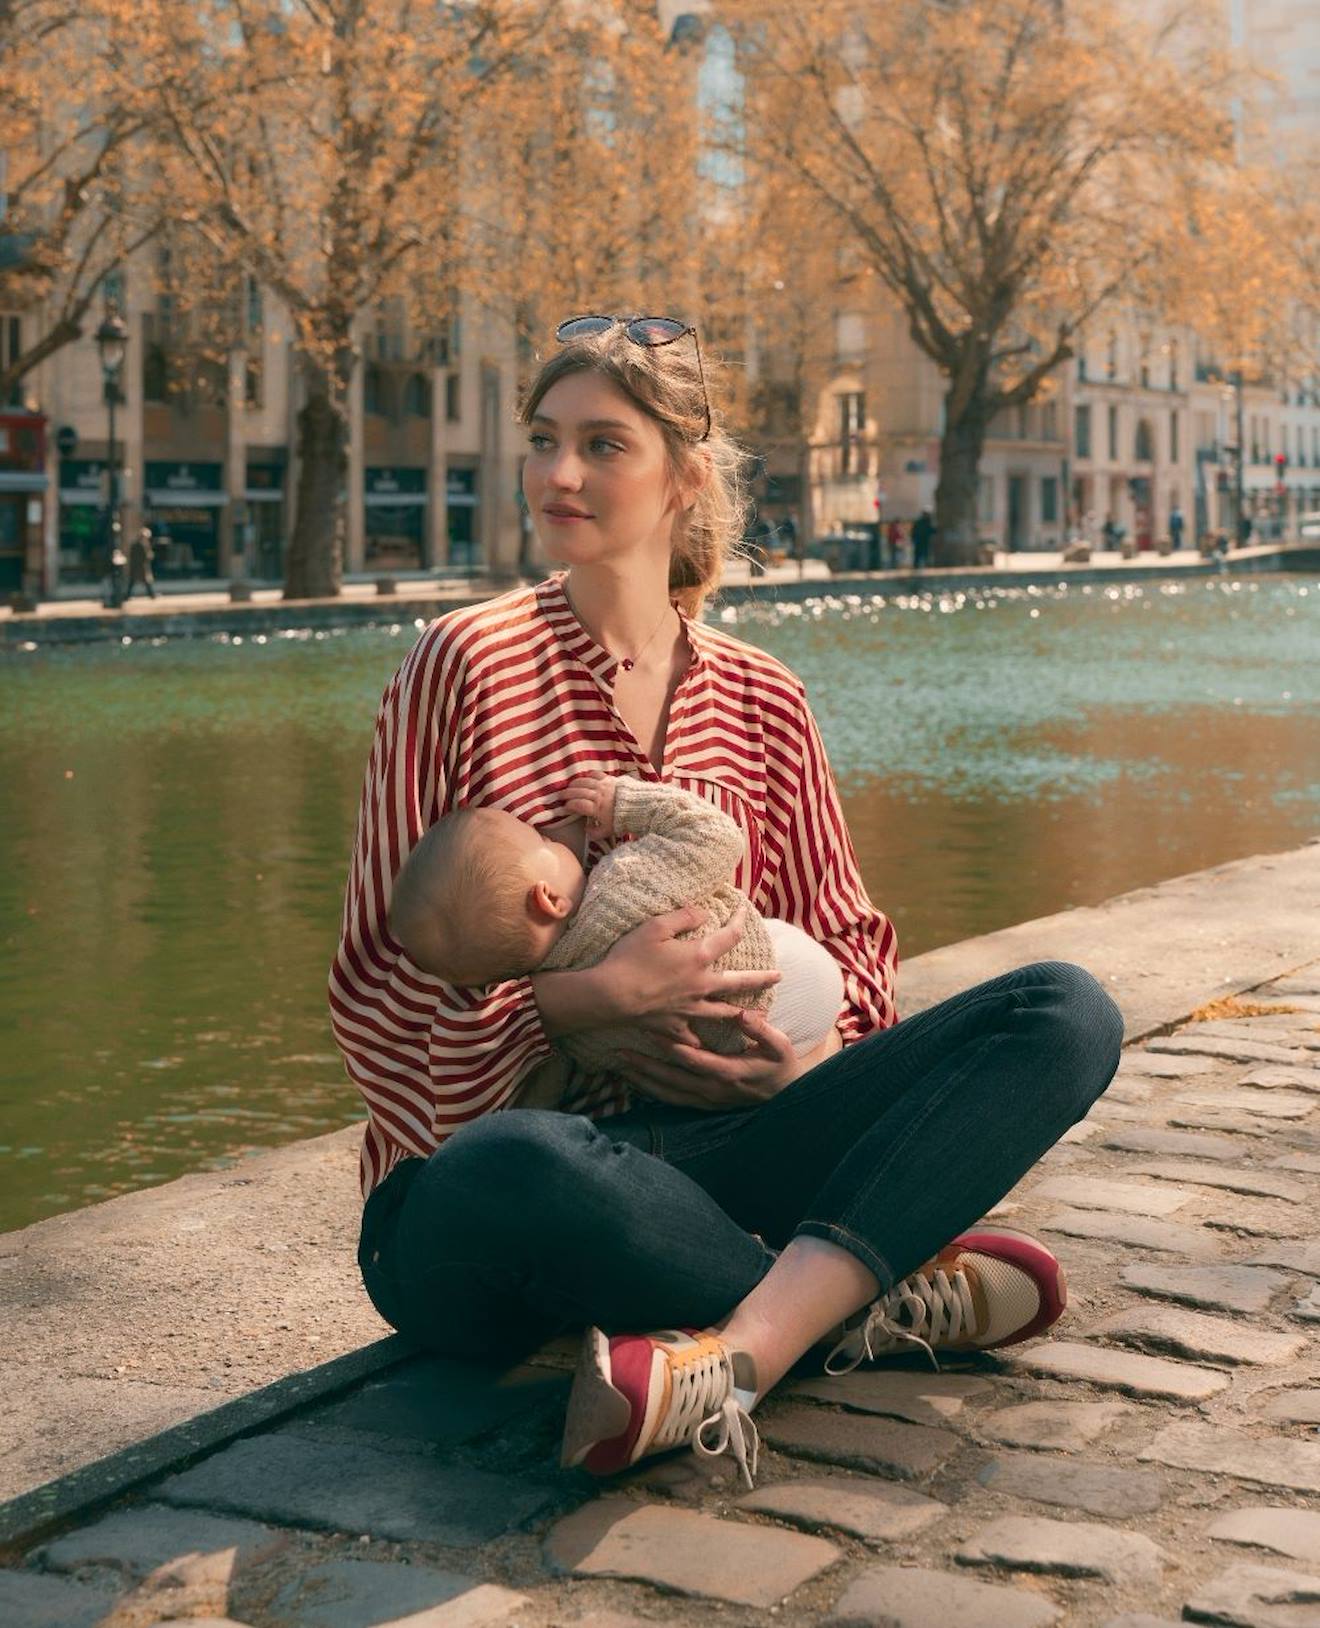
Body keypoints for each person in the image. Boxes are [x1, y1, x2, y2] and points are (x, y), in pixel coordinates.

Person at [333, 313, 1123, 1492]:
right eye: (546, 440)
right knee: (520, 1163)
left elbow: (855, 958)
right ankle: (864, 1296)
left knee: (1065, 1011)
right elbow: (374, 996)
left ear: (683, 475)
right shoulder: (459, 664)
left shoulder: (765, 698)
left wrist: (791, 1071)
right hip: (498, 1198)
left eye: (604, 445)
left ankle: (744, 1346)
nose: (559, 473)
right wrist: (576, 1005)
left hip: (724, 1159)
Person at [387, 770, 846, 1094]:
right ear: (548, 898)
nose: (555, 837)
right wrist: (623, 803)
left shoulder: (571, 1037)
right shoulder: (621, 888)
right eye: (543, 840)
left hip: (709, 1070)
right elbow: (716, 835)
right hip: (791, 979)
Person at [124, 526, 157, 600]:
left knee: (133, 582)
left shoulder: (135, 545)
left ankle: (128, 595)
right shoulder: (143, 545)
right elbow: (147, 556)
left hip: (136, 566)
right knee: (146, 582)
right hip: (142, 566)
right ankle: (151, 595)